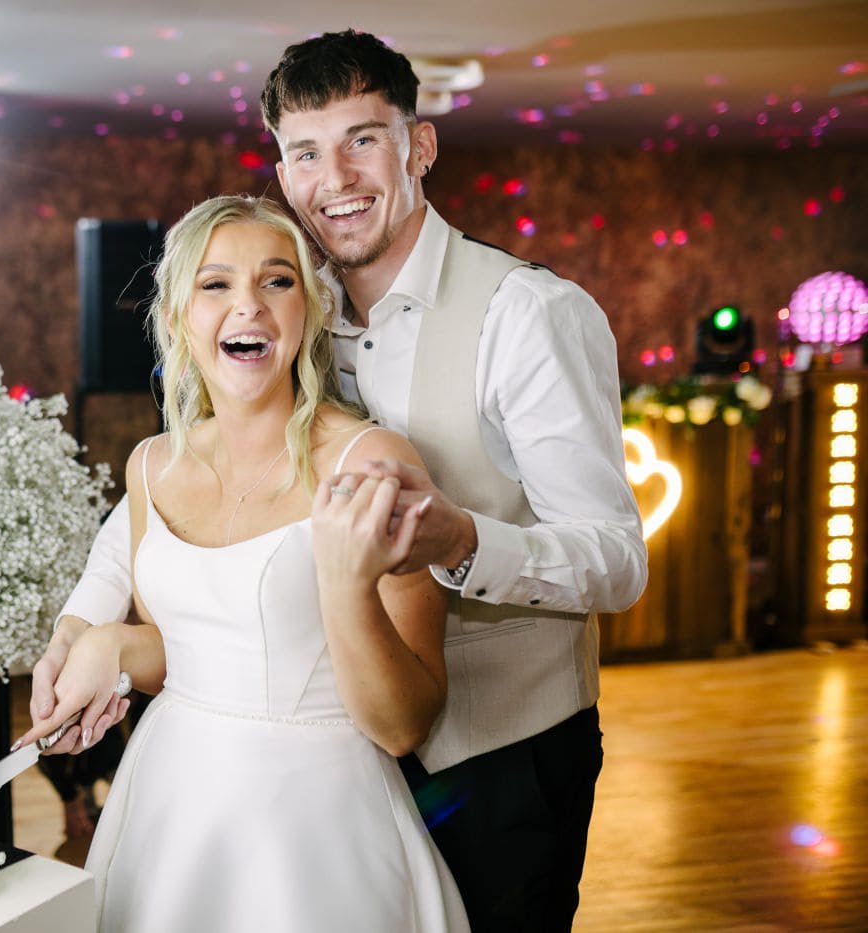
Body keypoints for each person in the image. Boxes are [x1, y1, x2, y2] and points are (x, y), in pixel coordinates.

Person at [32, 29, 646, 933]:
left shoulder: (527, 314)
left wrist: (461, 541)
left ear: (419, 147)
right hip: (338, 755)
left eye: (363, 139)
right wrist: (83, 624)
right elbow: (168, 493)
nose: (337, 176)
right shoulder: (285, 297)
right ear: (282, 170)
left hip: (501, 754)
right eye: (307, 151)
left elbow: (616, 559)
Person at [20, 195, 467, 931]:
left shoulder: (372, 462)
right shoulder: (150, 465)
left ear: (312, 311)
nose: (248, 306)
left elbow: (404, 725)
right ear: (175, 319)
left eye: (277, 280)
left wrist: (345, 581)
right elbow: (190, 651)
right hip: (168, 799)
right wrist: (106, 646)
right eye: (215, 283)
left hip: (317, 823)